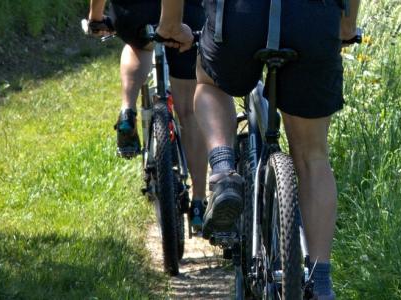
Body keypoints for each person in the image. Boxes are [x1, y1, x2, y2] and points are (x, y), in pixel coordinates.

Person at [156, 0, 361, 298]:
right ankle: (321, 284)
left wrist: (172, 25)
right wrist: (346, 25)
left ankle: (224, 171)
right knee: (312, 157)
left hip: (239, 18)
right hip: (313, 18)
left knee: (210, 82)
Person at [85, 0, 211, 226]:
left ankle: (127, 110)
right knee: (189, 113)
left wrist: (95, 16)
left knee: (137, 45)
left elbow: (99, 14)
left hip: (133, 11)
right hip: (185, 11)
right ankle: (199, 203)